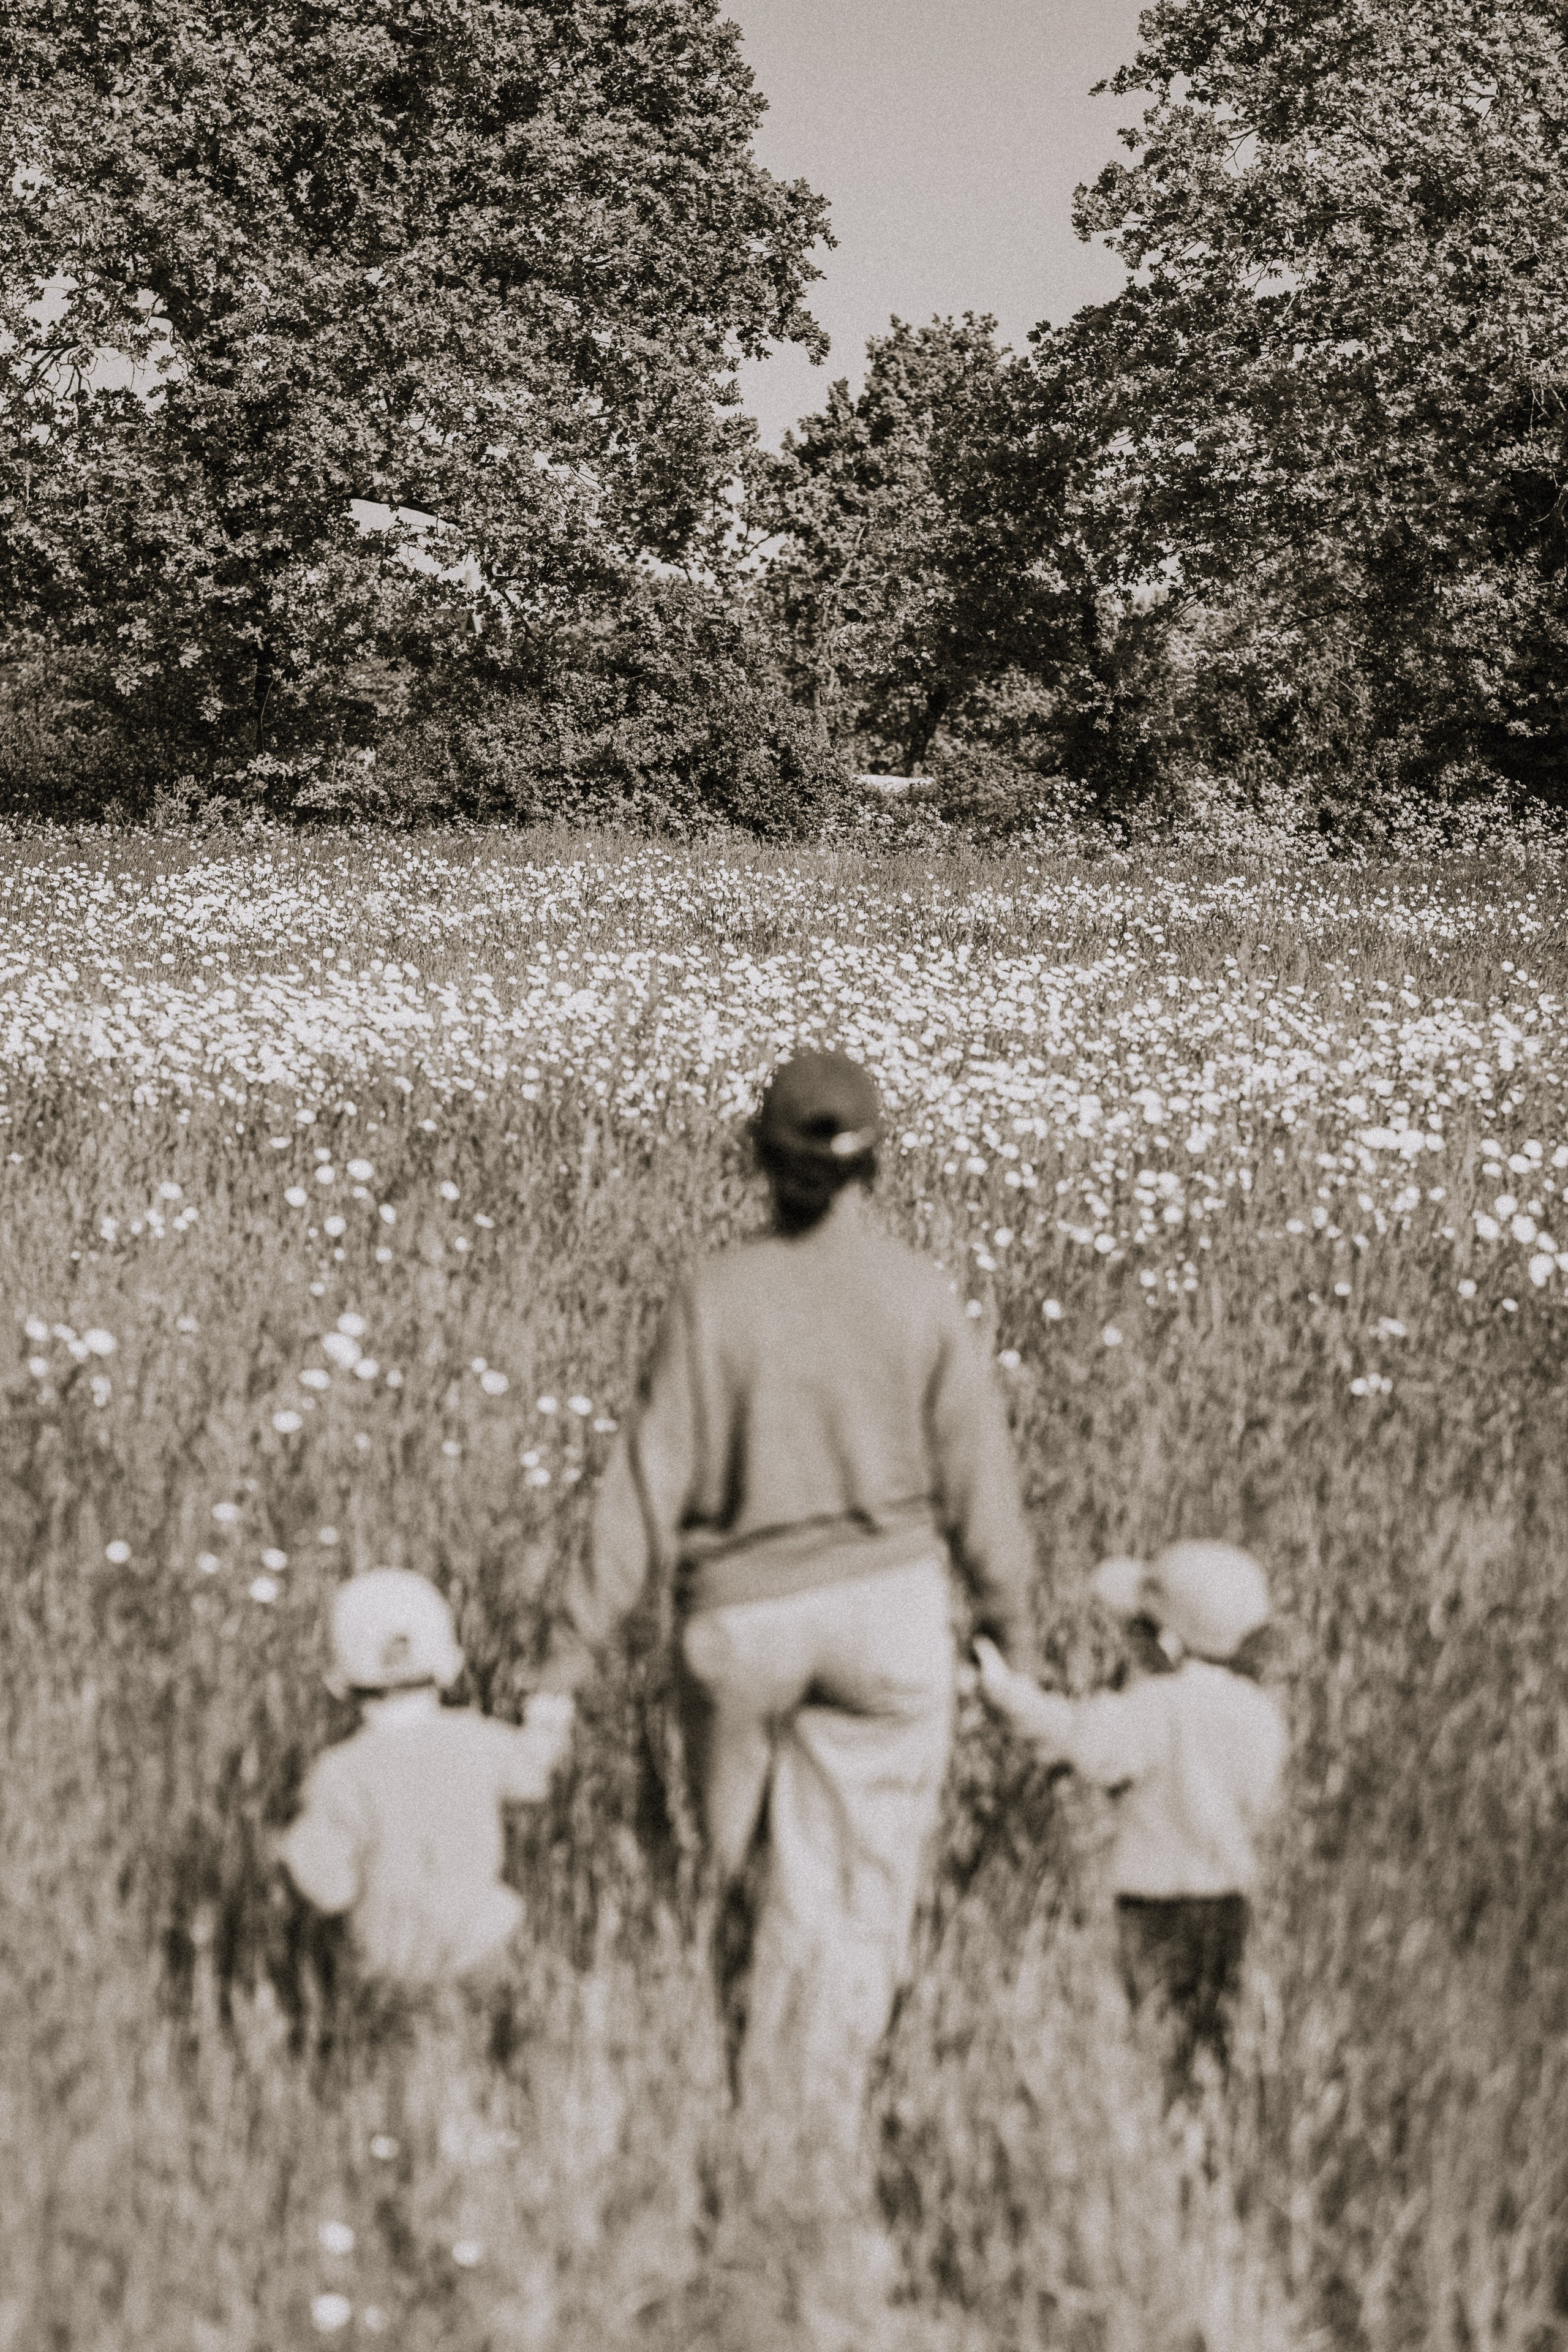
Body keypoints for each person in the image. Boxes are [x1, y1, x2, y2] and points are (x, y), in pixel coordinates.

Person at [539, 1049, 1037, 2147]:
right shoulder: (918, 1295)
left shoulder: (716, 1296)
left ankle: (694, 2072)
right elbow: (981, 1489)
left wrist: (563, 1662)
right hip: (889, 1621)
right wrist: (1014, 1638)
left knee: (726, 1869)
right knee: (851, 1895)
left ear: (759, 1161)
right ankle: (802, 2134)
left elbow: (645, 1485)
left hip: (739, 1625)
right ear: (878, 1167)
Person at [975, 1540, 1286, 2097]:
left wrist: (1004, 1695)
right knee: (1208, 2038)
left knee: (1152, 2037)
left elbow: (1078, 1738)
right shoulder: (1260, 1716)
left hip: (1152, 1904)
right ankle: (1202, 2143)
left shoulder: (1159, 1706)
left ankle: (1155, 2134)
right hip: (1229, 1903)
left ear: (1167, 1642)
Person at [280, 1568, 575, 1988]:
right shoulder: (476, 1738)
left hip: (389, 1959)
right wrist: (550, 1717)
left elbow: (329, 1888)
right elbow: (535, 1774)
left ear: (337, 1680)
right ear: (450, 1661)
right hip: (476, 1942)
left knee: (357, 1958)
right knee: (502, 1913)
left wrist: (283, 1849)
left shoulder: (341, 1770)